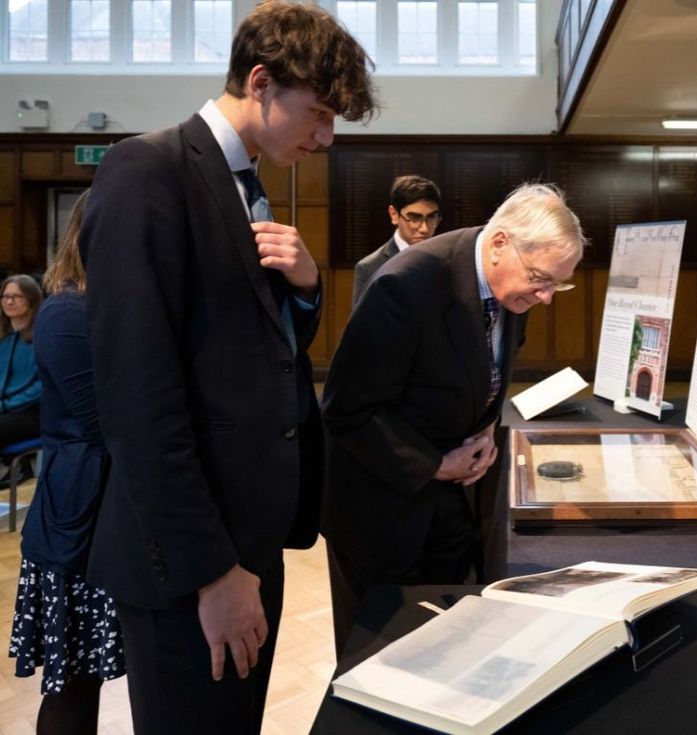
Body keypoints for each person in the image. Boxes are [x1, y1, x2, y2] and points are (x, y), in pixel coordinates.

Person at [78, 3, 377, 733]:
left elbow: (250, 353)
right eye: (320, 113)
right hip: (191, 556)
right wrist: (212, 570)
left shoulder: (244, 180)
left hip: (248, 538)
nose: (327, 136)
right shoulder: (147, 171)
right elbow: (138, 399)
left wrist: (305, 292)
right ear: (261, 80)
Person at [321, 183, 584, 655]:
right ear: (501, 243)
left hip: (450, 500)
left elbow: (485, 368)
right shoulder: (408, 283)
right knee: (379, 655)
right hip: (383, 508)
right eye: (542, 279)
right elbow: (347, 409)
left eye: (558, 284)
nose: (547, 297)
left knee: (443, 645)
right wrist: (436, 464)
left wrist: (484, 426)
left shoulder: (512, 284)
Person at [8, 190, 125, 735]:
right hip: (81, 519)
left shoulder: (116, 304)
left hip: (113, 510)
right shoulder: (66, 310)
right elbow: (109, 425)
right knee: (75, 685)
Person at [352, 174, 443, 305]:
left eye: (431, 217)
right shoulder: (369, 268)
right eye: (414, 218)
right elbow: (362, 324)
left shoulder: (447, 262)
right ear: (394, 214)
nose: (424, 228)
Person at [0, 274, 43, 462]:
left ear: (31, 300)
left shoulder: (43, 336)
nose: (9, 301)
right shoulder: (3, 337)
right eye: (5, 296)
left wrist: (5, 405)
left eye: (16, 297)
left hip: (30, 412)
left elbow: (41, 387)